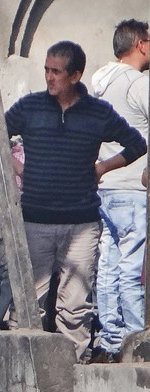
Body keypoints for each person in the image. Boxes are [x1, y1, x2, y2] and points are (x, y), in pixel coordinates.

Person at [5, 41, 146, 357]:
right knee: (28, 302)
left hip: (81, 223)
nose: (49, 77)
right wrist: (19, 169)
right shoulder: (30, 107)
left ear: (75, 75)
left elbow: (136, 144)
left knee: (74, 306)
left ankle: (73, 370)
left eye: (56, 72)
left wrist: (103, 167)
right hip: (35, 220)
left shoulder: (98, 112)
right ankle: (22, 363)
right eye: (46, 70)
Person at [88, 20, 150, 362]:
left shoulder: (101, 84)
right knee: (130, 266)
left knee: (109, 265)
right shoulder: (136, 84)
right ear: (141, 44)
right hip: (131, 188)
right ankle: (134, 338)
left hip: (106, 188)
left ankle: (110, 340)